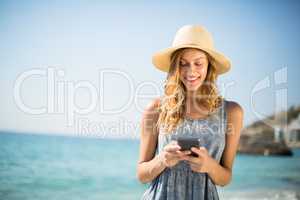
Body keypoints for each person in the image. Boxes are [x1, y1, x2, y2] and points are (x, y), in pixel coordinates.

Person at [136, 24, 243, 200]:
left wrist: (209, 165)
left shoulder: (232, 112)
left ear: (209, 66)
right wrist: (162, 160)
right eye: (183, 64)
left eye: (198, 63)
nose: (190, 71)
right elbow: (142, 174)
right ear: (175, 67)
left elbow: (225, 178)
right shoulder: (156, 109)